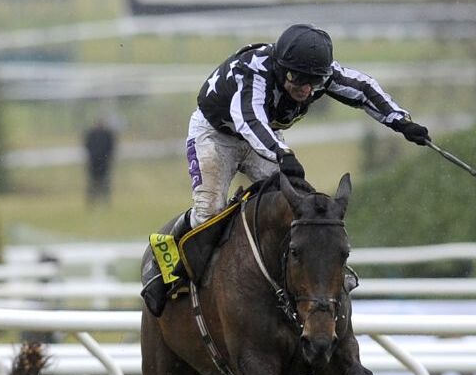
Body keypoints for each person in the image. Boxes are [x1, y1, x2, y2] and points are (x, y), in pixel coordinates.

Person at [141, 23, 431, 314]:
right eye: (296, 79)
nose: (304, 90)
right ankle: (162, 258)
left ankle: (310, 274)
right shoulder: (252, 71)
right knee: (210, 209)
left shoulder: (317, 73)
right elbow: (250, 120)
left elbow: (363, 88)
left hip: (262, 136)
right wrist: (282, 154)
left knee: (298, 205)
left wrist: (400, 121)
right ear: (281, 68)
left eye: (313, 83)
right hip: (217, 135)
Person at [83, 118, 116, 206]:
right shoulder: (92, 134)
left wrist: (107, 157)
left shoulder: (107, 134)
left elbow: (111, 147)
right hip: (93, 162)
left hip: (104, 162)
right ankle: (92, 201)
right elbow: (87, 146)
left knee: (105, 182)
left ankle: (105, 202)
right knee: (93, 182)